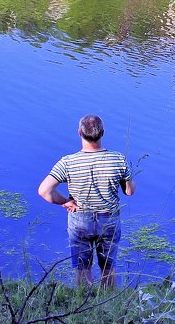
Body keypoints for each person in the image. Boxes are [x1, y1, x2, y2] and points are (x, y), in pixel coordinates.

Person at [38, 114, 135, 288]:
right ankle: (108, 301)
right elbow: (129, 191)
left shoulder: (67, 162)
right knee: (108, 266)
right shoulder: (118, 159)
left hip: (80, 219)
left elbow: (44, 191)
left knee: (82, 267)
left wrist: (64, 201)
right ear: (103, 133)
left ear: (79, 133)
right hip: (109, 220)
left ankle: (83, 302)